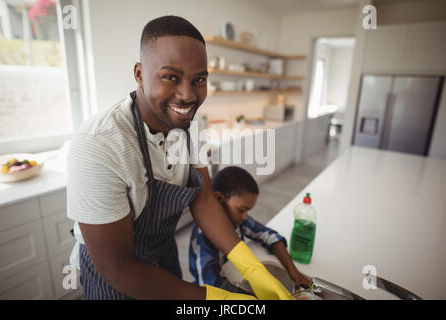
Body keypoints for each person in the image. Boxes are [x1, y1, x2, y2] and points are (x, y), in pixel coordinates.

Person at [66, 15, 294, 300]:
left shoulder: (189, 129)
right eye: (170, 77)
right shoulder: (100, 145)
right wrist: (221, 299)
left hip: (164, 259)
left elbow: (204, 198)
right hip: (115, 279)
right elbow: (119, 267)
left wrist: (251, 268)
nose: (188, 95)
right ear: (139, 74)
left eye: (198, 79)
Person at [189, 166, 311, 293]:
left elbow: (269, 236)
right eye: (241, 210)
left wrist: (293, 271)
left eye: (247, 211)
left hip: (233, 275)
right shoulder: (201, 237)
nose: (245, 216)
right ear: (219, 199)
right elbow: (211, 286)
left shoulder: (238, 220)